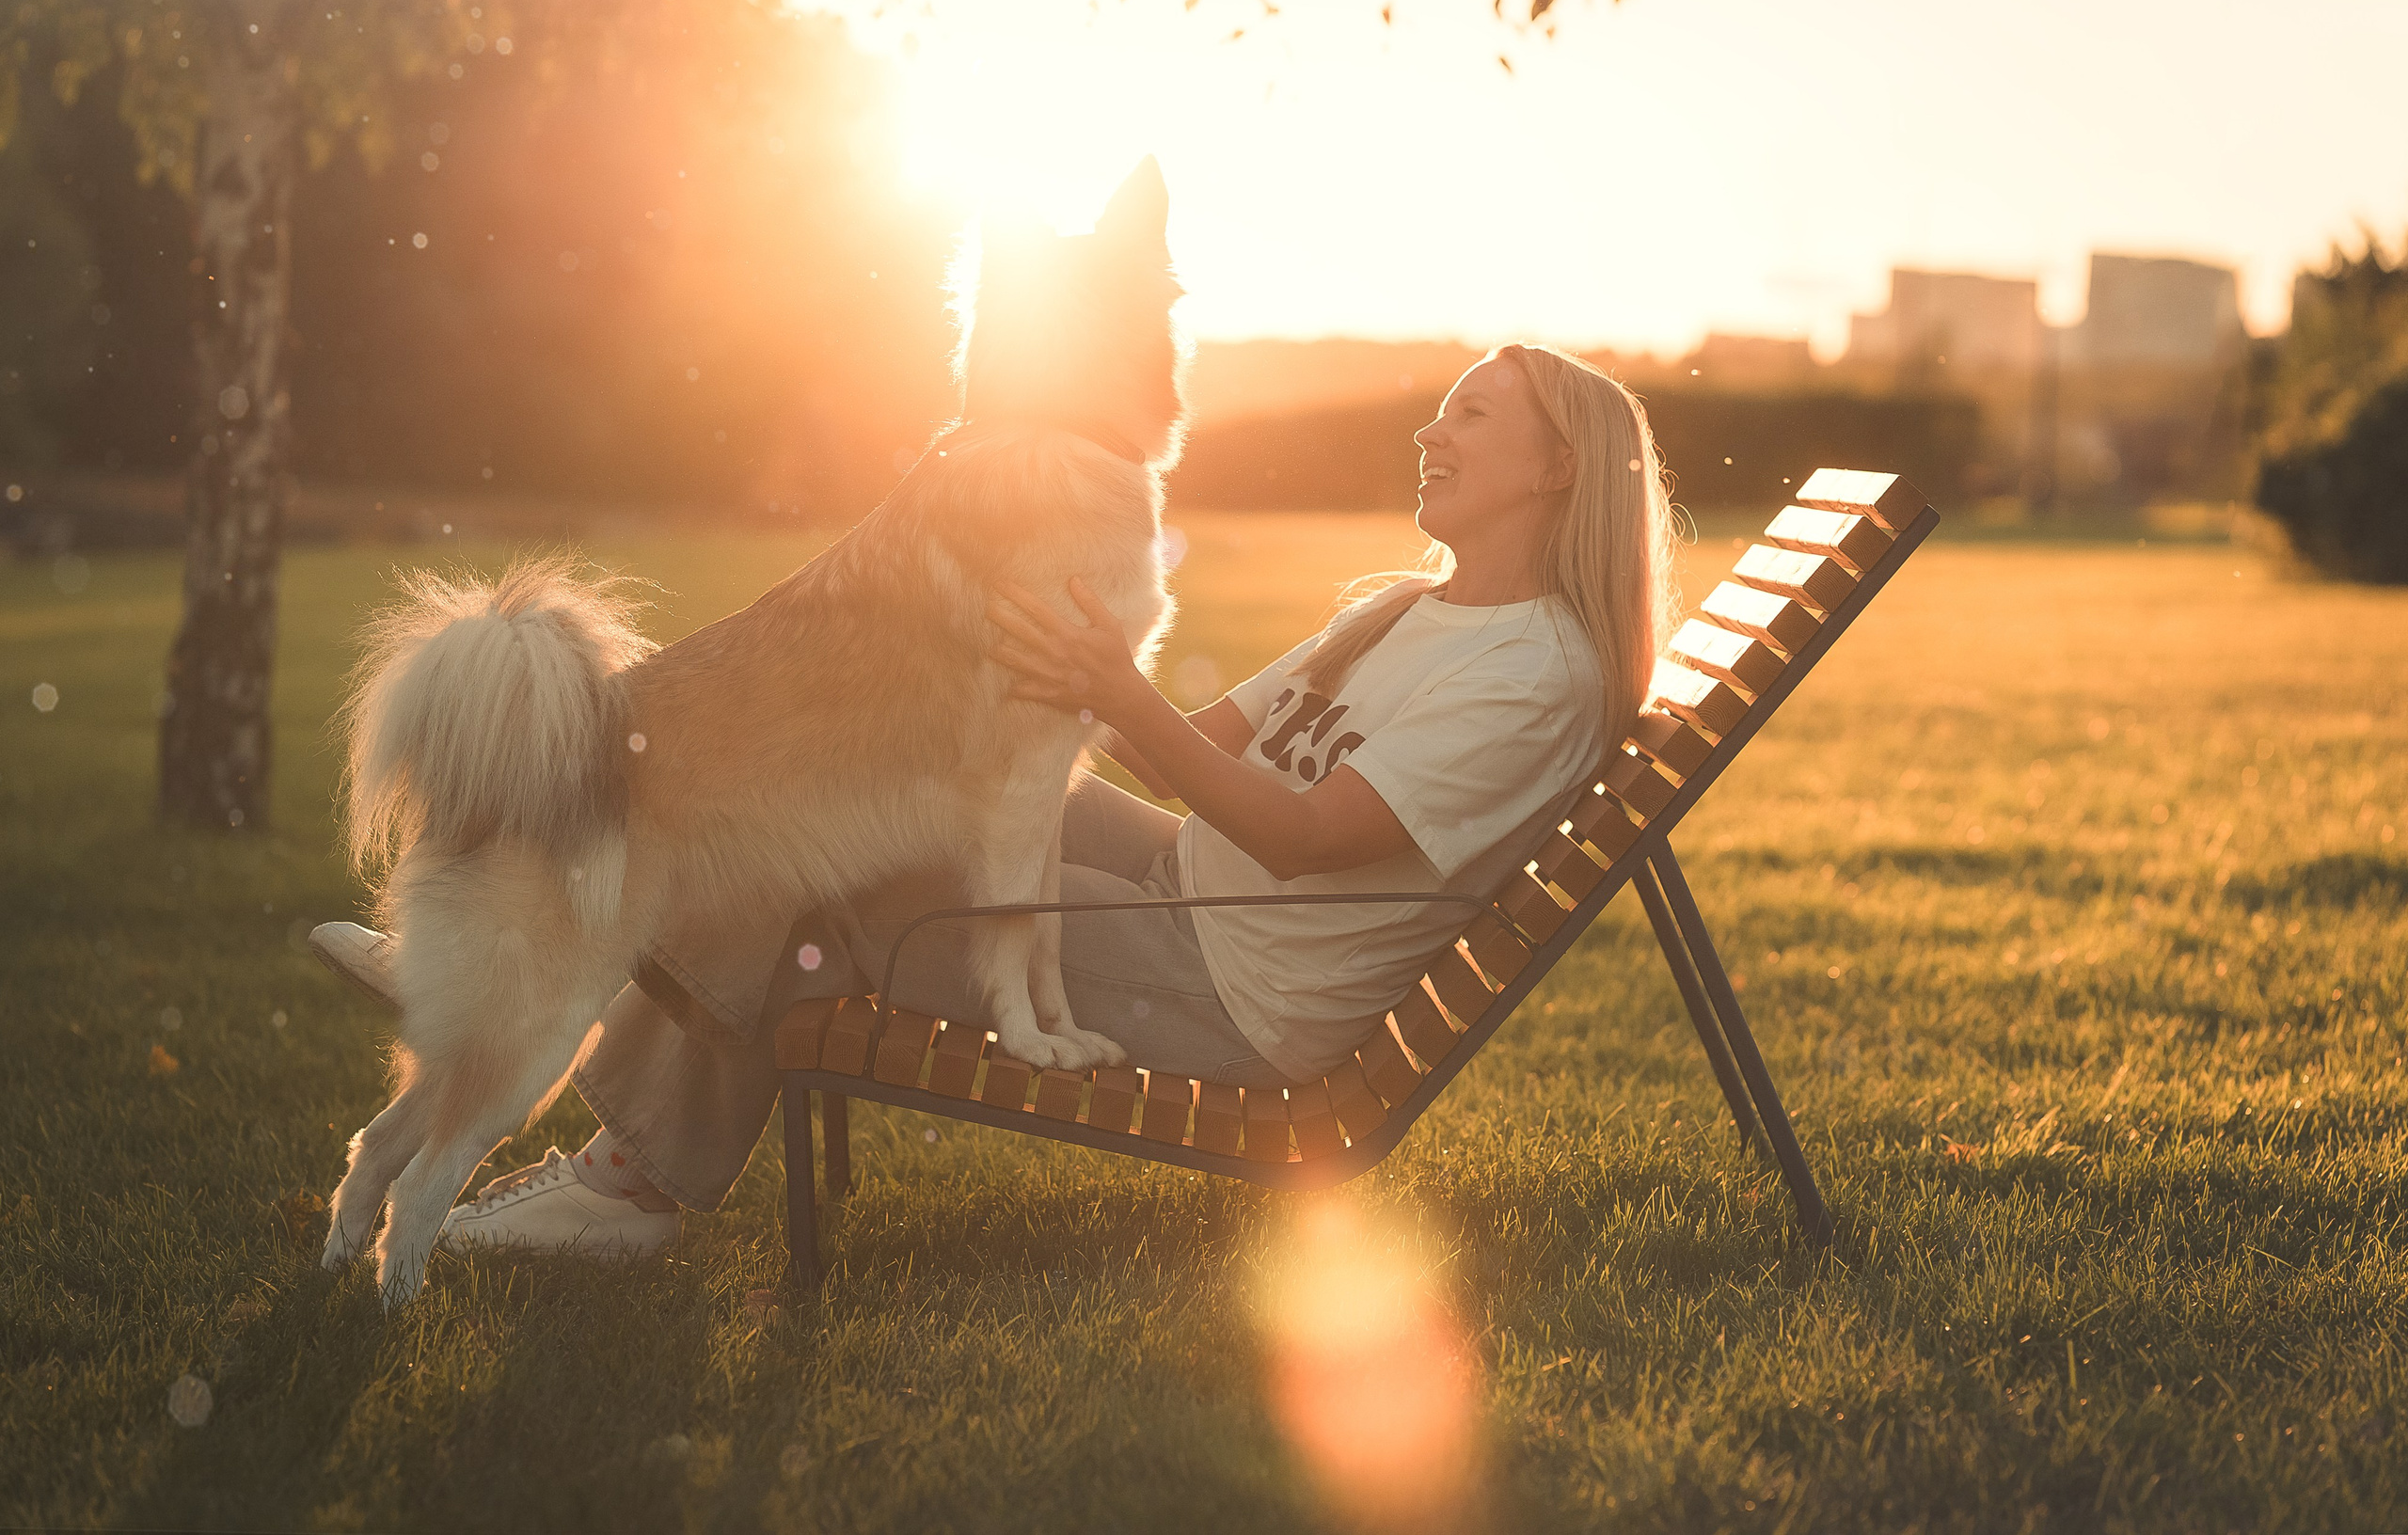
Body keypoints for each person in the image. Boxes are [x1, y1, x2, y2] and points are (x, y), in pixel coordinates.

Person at [310, 342, 1680, 1258]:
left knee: (839, 886)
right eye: (1440, 406)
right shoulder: (1402, 611)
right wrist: (1032, 670)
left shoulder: (1536, 670)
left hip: (1240, 986)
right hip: (1187, 883)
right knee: (855, 792)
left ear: (1559, 468)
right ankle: (516, 962)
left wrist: (1114, 693)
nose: (1433, 430)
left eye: (1474, 416)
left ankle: (619, 1149)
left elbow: (1304, 835)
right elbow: (1200, 738)